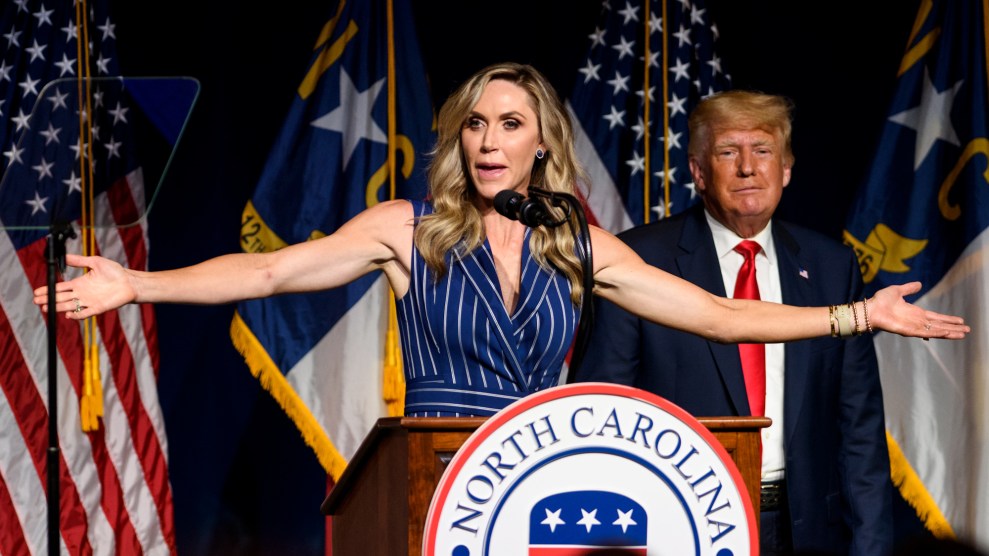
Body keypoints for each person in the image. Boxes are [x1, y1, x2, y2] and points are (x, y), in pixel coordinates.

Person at [35, 63, 967, 421]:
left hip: (547, 460)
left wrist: (856, 316)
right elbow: (274, 268)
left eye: (509, 124)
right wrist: (136, 285)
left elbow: (720, 316)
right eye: (475, 123)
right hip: (433, 468)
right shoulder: (407, 231)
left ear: (539, 144)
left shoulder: (576, 244)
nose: (487, 141)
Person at [575, 90, 895, 555]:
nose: (748, 167)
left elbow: (860, 428)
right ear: (699, 172)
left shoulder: (831, 267)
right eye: (728, 152)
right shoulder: (640, 261)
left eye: (763, 150)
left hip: (804, 531)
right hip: (680, 523)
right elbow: (602, 407)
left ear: (786, 169)